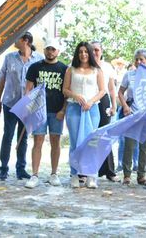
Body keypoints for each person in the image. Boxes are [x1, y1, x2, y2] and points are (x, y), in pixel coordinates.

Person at [0, 32, 42, 180]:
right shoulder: (9, 58)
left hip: (27, 106)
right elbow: (2, 80)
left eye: (17, 38)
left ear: (26, 41)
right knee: (7, 135)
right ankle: (3, 168)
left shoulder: (39, 59)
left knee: (22, 138)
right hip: (10, 102)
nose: (13, 40)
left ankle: (20, 168)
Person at [24, 38, 68, 189]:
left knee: (56, 141)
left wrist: (63, 110)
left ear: (58, 51)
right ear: (44, 50)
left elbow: (66, 92)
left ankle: (54, 174)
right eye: (48, 49)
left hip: (56, 111)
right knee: (38, 142)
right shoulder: (35, 67)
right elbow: (28, 89)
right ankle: (34, 174)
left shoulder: (64, 69)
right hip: (39, 111)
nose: (50, 52)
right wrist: (29, 107)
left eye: (53, 49)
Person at [63, 41, 105, 189]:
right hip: (74, 108)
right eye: (80, 52)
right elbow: (65, 90)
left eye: (86, 52)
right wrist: (76, 96)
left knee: (92, 142)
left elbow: (102, 91)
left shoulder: (97, 70)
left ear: (90, 53)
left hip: (92, 110)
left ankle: (91, 176)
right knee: (75, 142)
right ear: (77, 54)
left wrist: (91, 102)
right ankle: (75, 174)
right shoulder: (71, 70)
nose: (83, 54)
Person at [118, 49, 146, 185]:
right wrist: (125, 106)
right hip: (132, 113)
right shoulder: (129, 74)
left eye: (142, 59)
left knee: (144, 147)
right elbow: (120, 92)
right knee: (129, 145)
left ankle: (141, 175)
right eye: (136, 59)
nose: (138, 62)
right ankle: (127, 175)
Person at [91, 41, 118, 183]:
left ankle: (109, 170)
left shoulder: (107, 67)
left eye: (96, 49)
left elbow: (112, 89)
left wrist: (114, 106)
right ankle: (89, 169)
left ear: (101, 51)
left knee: (104, 134)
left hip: (104, 101)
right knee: (90, 135)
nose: (94, 52)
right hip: (88, 100)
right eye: (91, 49)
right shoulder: (85, 64)